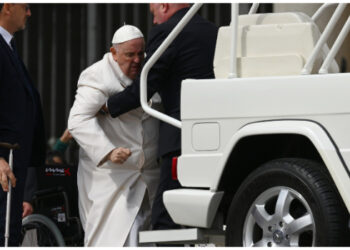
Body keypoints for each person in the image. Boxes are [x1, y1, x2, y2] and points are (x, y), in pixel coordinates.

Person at [105, 3, 218, 230]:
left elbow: (144, 88)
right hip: (214, 137)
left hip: (179, 140)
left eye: (153, 13)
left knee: (166, 222)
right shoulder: (213, 31)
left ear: (164, 5)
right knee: (205, 224)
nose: (155, 21)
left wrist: (107, 106)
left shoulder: (168, 31)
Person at [68, 25, 160, 246]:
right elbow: (77, 120)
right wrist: (108, 151)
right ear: (114, 53)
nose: (137, 60)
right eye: (130, 55)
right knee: (111, 238)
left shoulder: (150, 71)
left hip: (148, 177)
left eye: (141, 53)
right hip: (111, 178)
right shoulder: (97, 75)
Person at [0, 3, 46, 246]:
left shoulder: (9, 47)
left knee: (10, 234)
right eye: (25, 7)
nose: (29, 13)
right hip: (2, 164)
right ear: (8, 6)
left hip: (14, 166)